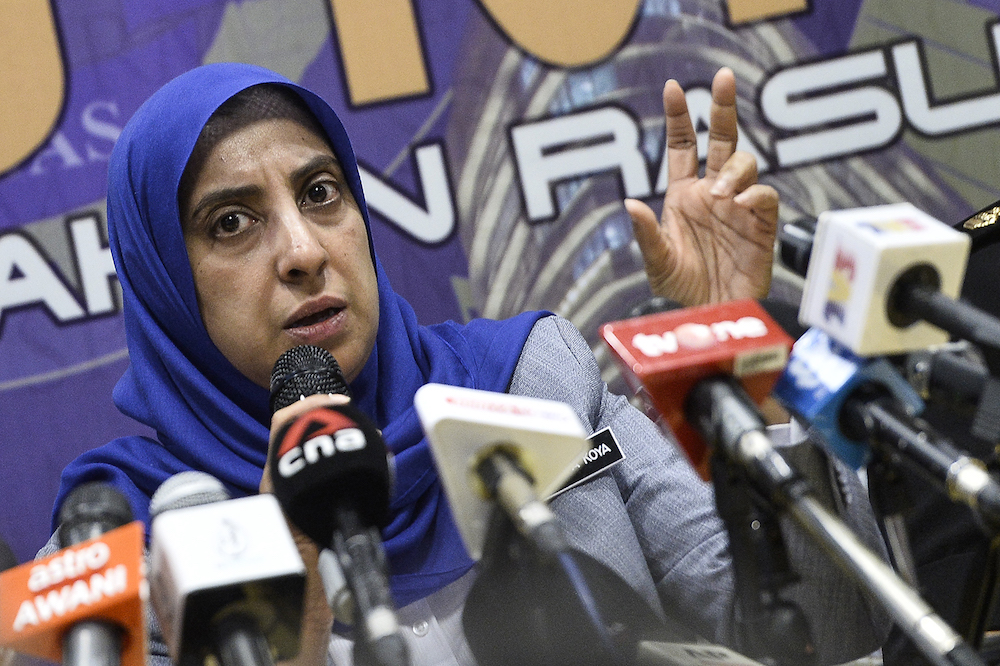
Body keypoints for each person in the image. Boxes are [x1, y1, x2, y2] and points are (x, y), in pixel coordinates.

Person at [42, 62, 888, 665]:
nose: (302, 251)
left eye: (320, 193)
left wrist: (732, 353)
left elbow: (828, 628)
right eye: (232, 222)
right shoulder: (130, 536)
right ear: (162, 282)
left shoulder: (529, 377)